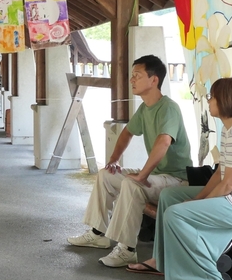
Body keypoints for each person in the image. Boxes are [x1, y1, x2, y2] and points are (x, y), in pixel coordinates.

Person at [127, 77, 232, 280]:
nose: (209, 100)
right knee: (169, 196)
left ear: (224, 101)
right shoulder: (231, 130)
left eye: (212, 96)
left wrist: (198, 203)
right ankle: (161, 261)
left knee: (176, 214)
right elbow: (219, 174)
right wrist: (197, 199)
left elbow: (229, 183)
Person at [67, 55, 193, 268]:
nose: (131, 80)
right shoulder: (145, 108)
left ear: (154, 80)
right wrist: (114, 160)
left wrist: (142, 175)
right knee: (107, 175)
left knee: (132, 184)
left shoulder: (169, 108)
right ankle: (98, 234)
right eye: (132, 75)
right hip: (158, 176)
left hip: (177, 180)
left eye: (137, 75)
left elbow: (163, 142)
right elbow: (126, 133)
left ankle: (127, 249)